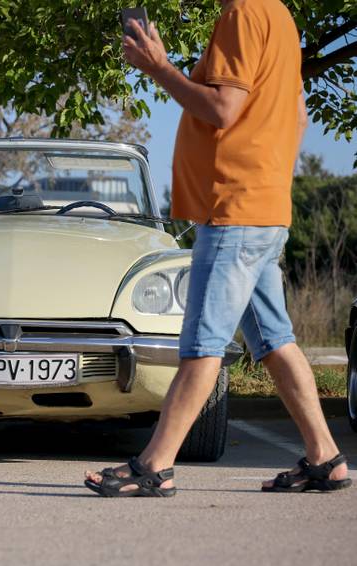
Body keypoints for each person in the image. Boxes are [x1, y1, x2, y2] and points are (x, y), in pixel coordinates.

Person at [85, 0, 351, 497]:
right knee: (273, 339)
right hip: (262, 207)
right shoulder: (279, 16)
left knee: (203, 343)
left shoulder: (242, 13)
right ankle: (326, 458)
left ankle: (155, 466)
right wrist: (267, 178)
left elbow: (224, 108)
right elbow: (298, 118)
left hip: (233, 211)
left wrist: (159, 67)